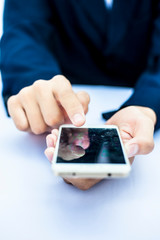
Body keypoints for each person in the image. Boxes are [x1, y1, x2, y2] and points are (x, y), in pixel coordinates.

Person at [1, 0, 160, 190]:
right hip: (62, 104)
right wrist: (39, 89)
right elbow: (24, 32)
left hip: (140, 92)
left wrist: (145, 106)